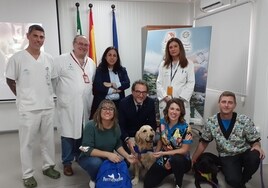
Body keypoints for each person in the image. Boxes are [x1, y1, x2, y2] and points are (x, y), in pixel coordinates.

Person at [5, 24, 60, 188]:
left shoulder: (48, 58)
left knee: (48, 140)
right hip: (28, 109)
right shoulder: (17, 58)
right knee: (27, 143)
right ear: (28, 36)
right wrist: (22, 96)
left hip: (47, 106)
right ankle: (27, 174)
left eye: (42, 37)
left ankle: (48, 167)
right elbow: (10, 80)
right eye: (35, 36)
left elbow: (53, 79)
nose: (38, 40)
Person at [192, 91, 266, 188]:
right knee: (232, 180)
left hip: (244, 152)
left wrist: (257, 146)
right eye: (223, 102)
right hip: (227, 156)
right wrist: (193, 159)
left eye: (230, 102)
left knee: (255, 156)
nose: (226, 105)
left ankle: (243, 180)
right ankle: (235, 177)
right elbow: (204, 143)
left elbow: (254, 140)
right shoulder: (211, 122)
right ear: (219, 103)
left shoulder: (245, 120)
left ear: (235, 105)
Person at [52, 35, 96, 176]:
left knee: (82, 132)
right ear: (74, 44)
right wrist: (63, 95)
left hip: (85, 104)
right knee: (68, 134)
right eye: (80, 44)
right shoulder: (60, 60)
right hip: (68, 105)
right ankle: (67, 162)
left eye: (86, 45)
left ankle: (79, 156)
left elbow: (91, 82)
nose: (83, 47)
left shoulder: (91, 63)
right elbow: (53, 81)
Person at [78, 99, 136, 187]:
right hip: (89, 157)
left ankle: (107, 179)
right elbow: (85, 148)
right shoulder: (90, 125)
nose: (107, 111)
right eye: (104, 108)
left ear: (114, 112)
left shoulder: (116, 126)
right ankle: (95, 179)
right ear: (99, 111)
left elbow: (117, 144)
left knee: (126, 163)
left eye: (111, 109)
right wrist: (108, 154)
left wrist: (127, 156)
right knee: (96, 163)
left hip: (105, 156)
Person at [144, 98, 192, 188]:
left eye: (177, 109)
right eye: (172, 108)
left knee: (176, 160)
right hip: (165, 157)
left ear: (181, 112)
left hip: (181, 160)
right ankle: (171, 170)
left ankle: (178, 183)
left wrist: (163, 153)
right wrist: (156, 153)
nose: (174, 112)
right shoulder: (162, 122)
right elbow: (161, 140)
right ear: (167, 109)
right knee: (148, 183)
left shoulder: (186, 128)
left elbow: (184, 150)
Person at [156, 37, 195, 122]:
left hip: (181, 102)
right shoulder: (163, 64)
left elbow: (190, 83)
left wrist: (179, 101)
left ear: (180, 47)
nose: (173, 49)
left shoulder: (189, 64)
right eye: (170, 47)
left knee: (180, 130)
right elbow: (158, 83)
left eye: (175, 46)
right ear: (168, 50)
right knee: (166, 129)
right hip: (166, 101)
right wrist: (166, 97)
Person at [118, 80, 157, 154]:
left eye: (144, 92)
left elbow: (153, 124)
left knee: (147, 158)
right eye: (138, 92)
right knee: (131, 160)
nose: (141, 95)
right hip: (129, 136)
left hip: (144, 135)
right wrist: (127, 139)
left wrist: (147, 137)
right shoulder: (124, 103)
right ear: (132, 92)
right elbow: (121, 126)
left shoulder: (150, 103)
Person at [90, 46, 130, 118]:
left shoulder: (122, 70)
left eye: (114, 55)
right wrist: (114, 91)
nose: (112, 57)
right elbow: (98, 86)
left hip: (118, 104)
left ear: (117, 58)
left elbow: (127, 83)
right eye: (109, 55)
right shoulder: (100, 70)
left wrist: (112, 84)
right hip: (103, 104)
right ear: (105, 57)